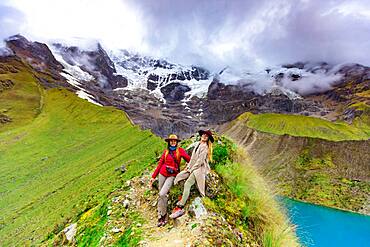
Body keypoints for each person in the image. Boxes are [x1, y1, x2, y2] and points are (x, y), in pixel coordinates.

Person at [169, 130, 214, 219]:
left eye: (206, 136)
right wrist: (188, 167)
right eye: (204, 135)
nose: (204, 136)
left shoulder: (205, 147)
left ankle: (181, 206)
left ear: (208, 138)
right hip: (192, 167)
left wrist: (192, 169)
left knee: (188, 184)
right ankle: (181, 196)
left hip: (199, 169)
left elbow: (200, 162)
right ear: (201, 136)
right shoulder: (198, 144)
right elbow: (193, 159)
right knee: (179, 176)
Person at [149, 134, 190, 227]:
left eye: (174, 141)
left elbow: (189, 159)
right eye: (171, 141)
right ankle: (161, 216)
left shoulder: (180, 151)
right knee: (161, 196)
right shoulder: (166, 152)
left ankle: (164, 215)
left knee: (162, 194)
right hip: (162, 174)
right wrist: (153, 177)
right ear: (169, 142)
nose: (172, 142)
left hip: (172, 175)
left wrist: (189, 167)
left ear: (177, 142)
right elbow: (160, 164)